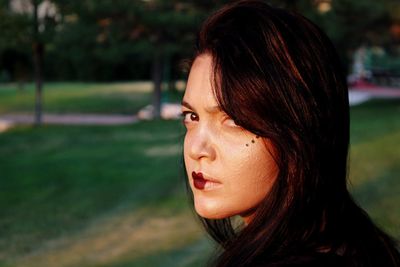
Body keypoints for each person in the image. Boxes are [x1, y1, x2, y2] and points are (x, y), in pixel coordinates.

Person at [181, 1, 400, 266]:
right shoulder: (360, 245)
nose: (196, 149)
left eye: (234, 120)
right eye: (192, 117)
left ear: (301, 130)